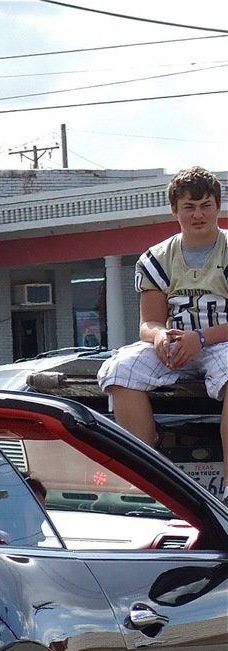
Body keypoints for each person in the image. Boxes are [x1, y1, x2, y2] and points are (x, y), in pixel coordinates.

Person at [97, 167, 226, 465]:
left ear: (218, 206)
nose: (198, 215)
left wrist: (202, 338)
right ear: (174, 210)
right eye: (189, 207)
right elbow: (150, 321)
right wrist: (159, 337)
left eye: (206, 205)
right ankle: (150, 474)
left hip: (221, 343)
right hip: (177, 347)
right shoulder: (157, 258)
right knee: (121, 369)